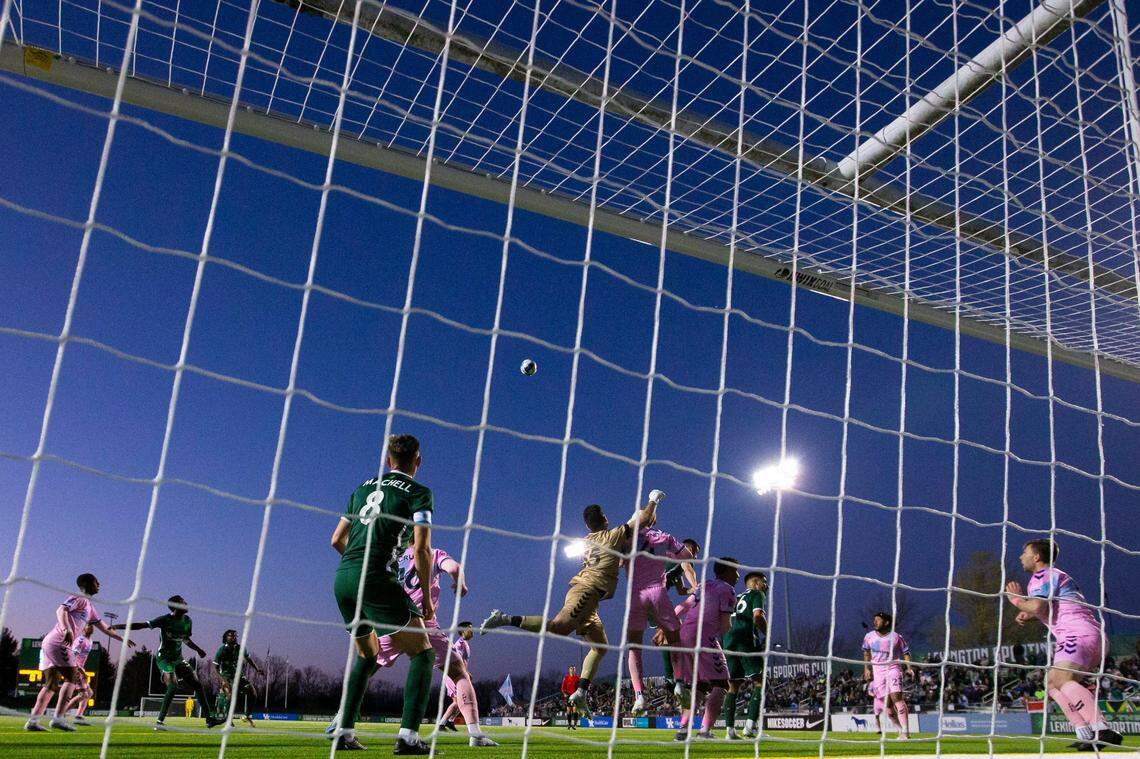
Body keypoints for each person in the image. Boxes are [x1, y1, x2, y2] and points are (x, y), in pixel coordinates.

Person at [481, 491, 664, 713]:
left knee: (600, 647)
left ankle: (581, 692)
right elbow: (643, 519)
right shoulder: (612, 536)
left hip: (591, 601)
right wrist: (653, 500)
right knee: (558, 628)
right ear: (605, 519)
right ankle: (505, 618)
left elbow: (611, 555)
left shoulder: (586, 541)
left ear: (587, 527)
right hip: (586, 592)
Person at [329, 434, 438, 754]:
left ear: (388, 460)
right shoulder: (420, 492)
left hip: (344, 580)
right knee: (423, 653)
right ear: (418, 461)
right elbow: (422, 548)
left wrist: (358, 565)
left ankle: (344, 732)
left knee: (367, 653)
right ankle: (408, 738)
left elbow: (336, 539)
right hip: (378, 579)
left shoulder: (362, 488)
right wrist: (428, 601)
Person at [1005, 539, 1123, 750]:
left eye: (1024, 552)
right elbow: (1047, 607)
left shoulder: (1043, 575)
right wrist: (1029, 614)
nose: (1020, 557)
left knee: (1060, 679)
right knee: (1051, 684)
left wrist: (1016, 599)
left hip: (1077, 634)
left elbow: (1037, 604)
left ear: (1036, 557)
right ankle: (1084, 732)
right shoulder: (1055, 576)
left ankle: (1102, 728)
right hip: (1087, 635)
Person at [26, 573, 133, 732]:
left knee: (51, 685)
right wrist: (66, 629)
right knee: (71, 678)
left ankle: (33, 722)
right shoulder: (79, 598)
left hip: (51, 642)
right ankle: (58, 719)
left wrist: (121, 638)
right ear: (87, 584)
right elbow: (60, 610)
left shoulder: (90, 607)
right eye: (97, 582)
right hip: (60, 641)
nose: (99, 584)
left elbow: (105, 628)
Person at [111, 595, 222, 730]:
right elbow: (142, 625)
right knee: (173, 685)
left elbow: (185, 639)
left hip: (178, 659)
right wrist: (118, 626)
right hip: (164, 658)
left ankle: (209, 719)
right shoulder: (165, 620)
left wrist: (198, 649)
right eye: (183, 602)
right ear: (176, 606)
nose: (186, 603)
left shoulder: (187, 620)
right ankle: (159, 721)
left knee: (197, 685)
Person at [624, 522, 694, 714]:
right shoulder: (665, 537)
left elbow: (616, 563)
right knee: (674, 639)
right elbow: (687, 559)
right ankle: (679, 682)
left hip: (636, 594)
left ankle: (639, 696)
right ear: (652, 521)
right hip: (658, 593)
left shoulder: (626, 538)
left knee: (634, 646)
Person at [669, 558, 738, 741]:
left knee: (700, 685)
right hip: (703, 635)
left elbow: (681, 607)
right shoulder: (728, 590)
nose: (738, 576)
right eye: (736, 571)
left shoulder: (704, 585)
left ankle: (682, 731)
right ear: (728, 571)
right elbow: (725, 625)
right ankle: (704, 731)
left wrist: (665, 628)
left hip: (684, 634)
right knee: (722, 683)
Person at [722, 571, 768, 739]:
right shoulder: (757, 594)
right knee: (760, 682)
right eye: (764, 582)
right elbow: (757, 617)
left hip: (728, 641)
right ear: (755, 583)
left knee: (732, 686)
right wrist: (767, 635)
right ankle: (750, 727)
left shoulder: (734, 597)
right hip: (746, 640)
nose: (766, 586)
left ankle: (729, 732)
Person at [861, 611, 912, 741]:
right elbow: (866, 653)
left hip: (893, 669)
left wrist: (909, 667)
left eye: (878, 620)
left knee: (897, 699)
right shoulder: (869, 636)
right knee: (888, 708)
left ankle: (906, 732)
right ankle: (900, 731)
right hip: (878, 674)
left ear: (886, 622)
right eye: (875, 619)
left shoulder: (896, 637)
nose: (875, 622)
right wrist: (866, 668)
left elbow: (906, 652)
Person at [213, 629, 263, 727]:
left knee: (253, 693)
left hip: (240, 676)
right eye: (231, 636)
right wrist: (223, 680)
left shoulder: (241, 648)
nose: (234, 637)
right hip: (227, 677)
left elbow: (248, 659)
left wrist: (257, 669)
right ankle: (228, 719)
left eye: (235, 636)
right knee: (230, 696)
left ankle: (247, 716)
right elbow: (215, 667)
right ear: (226, 638)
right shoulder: (221, 650)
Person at [60, 623, 96, 726]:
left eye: (91, 626)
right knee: (83, 694)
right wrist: (80, 670)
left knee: (89, 693)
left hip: (80, 669)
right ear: (83, 629)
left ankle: (78, 716)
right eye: (87, 626)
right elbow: (72, 656)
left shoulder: (90, 641)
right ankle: (61, 714)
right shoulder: (80, 640)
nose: (90, 627)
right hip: (76, 669)